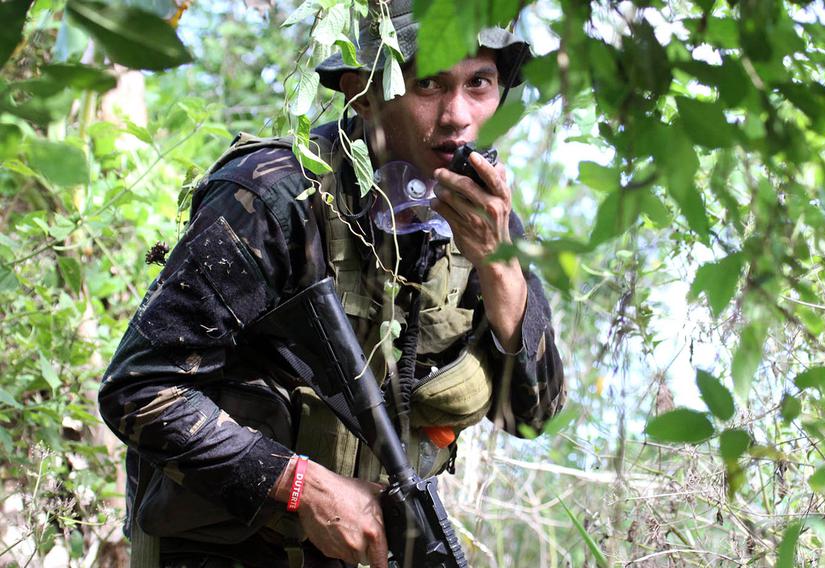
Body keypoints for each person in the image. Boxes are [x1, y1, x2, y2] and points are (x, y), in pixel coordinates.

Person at [98, 1, 566, 566]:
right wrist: (301, 488)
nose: (457, 115)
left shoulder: (486, 216)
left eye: (480, 84)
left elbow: (533, 414)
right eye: (430, 84)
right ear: (362, 93)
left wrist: (498, 265)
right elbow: (138, 390)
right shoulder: (273, 194)